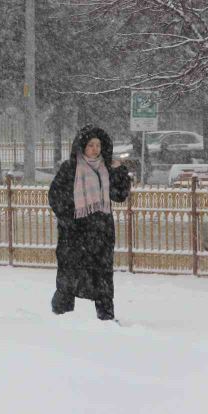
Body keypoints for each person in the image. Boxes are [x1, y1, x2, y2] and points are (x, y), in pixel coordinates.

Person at [48, 125, 132, 320]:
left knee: (102, 276)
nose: (95, 149)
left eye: (98, 145)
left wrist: (120, 172)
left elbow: (119, 195)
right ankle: (61, 314)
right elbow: (55, 196)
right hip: (75, 234)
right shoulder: (71, 168)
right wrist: (69, 219)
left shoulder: (107, 168)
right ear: (82, 146)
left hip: (100, 233)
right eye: (91, 145)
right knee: (70, 275)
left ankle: (106, 317)